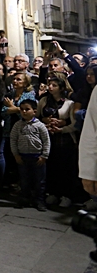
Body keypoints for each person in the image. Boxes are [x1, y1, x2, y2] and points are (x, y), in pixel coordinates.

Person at [38, 74, 79, 208]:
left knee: (65, 168)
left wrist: (61, 128)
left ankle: (67, 195)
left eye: (54, 85)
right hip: (47, 138)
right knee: (52, 167)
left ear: (61, 88)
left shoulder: (69, 103)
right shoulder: (43, 101)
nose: (50, 87)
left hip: (64, 140)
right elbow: (37, 117)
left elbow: (74, 125)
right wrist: (45, 122)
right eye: (49, 84)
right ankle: (53, 193)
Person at [10, 99, 49, 211]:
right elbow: (13, 139)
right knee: (24, 179)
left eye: (27, 109)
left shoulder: (40, 126)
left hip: (37, 157)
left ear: (34, 111)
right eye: (22, 109)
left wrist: (44, 155)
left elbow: (46, 141)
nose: (24, 112)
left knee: (39, 180)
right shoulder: (18, 125)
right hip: (23, 156)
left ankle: (39, 200)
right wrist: (16, 154)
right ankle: (24, 198)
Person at [1, 72, 36, 188]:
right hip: (9, 129)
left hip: (24, 130)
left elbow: (27, 113)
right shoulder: (10, 94)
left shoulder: (29, 95)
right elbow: (4, 111)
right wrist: (16, 109)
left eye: (19, 80)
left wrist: (13, 108)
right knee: (10, 157)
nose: (15, 81)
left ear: (25, 83)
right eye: (14, 79)